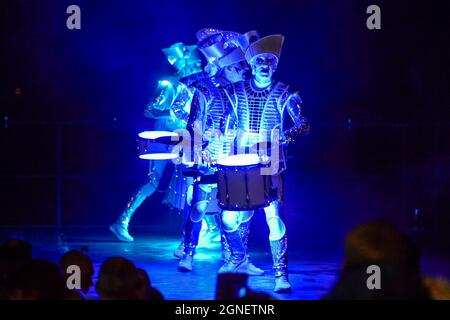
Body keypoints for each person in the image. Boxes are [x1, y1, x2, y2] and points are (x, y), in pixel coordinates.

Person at [219, 34, 310, 293]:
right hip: (240, 162)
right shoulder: (234, 92)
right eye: (260, 60)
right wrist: (219, 147)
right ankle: (239, 258)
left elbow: (303, 123)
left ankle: (280, 275)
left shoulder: (286, 93)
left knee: (273, 218)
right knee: (231, 217)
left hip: (271, 162)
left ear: (276, 65)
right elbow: (227, 124)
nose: (265, 64)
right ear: (252, 64)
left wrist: (287, 135)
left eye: (270, 60)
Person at [177, 29, 263, 276]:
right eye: (237, 67)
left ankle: (235, 258)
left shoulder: (245, 90)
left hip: (235, 158)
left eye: (243, 68)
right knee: (199, 208)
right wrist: (202, 147)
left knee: (233, 210)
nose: (243, 71)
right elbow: (193, 124)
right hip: (209, 157)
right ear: (224, 67)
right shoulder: (203, 90)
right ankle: (188, 252)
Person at [109, 42, 205, 245]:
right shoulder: (169, 84)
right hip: (163, 137)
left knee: (194, 179)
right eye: (195, 65)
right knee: (153, 181)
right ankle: (122, 221)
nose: (199, 69)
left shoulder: (197, 87)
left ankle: (206, 228)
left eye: (200, 65)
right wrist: (176, 114)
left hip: (184, 139)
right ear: (184, 65)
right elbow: (149, 110)